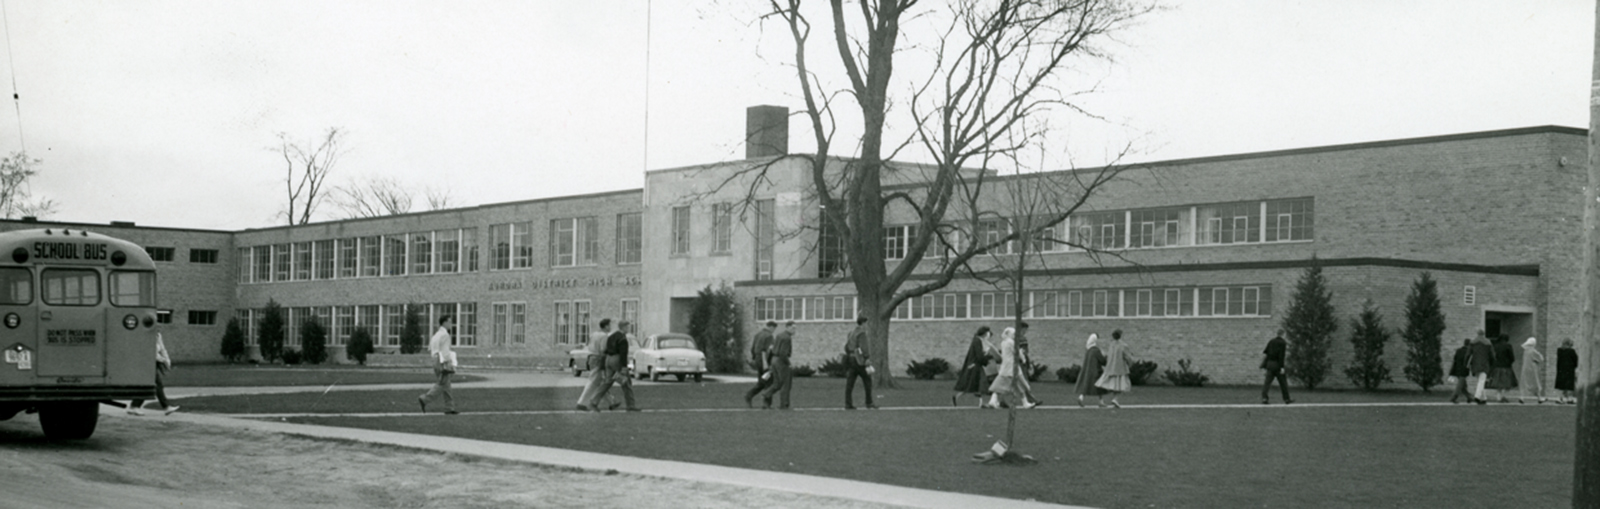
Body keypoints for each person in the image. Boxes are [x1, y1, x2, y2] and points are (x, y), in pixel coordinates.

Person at [590, 320, 640, 412]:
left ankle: (593, 401)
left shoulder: (611, 336)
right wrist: (624, 368)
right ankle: (630, 405)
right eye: (627, 327)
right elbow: (623, 354)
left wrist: (604, 364)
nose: (628, 329)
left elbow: (606, 350)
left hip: (608, 359)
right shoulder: (623, 339)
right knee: (626, 383)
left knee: (607, 383)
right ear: (623, 327)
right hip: (617, 360)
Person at [128, 328, 178, 416]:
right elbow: (151, 352)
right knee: (157, 384)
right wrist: (162, 360)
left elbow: (162, 349)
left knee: (149, 385)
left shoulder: (158, 335)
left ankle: (134, 406)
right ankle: (166, 406)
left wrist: (167, 360)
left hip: (152, 363)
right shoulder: (144, 335)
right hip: (144, 362)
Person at [418, 315, 459, 414]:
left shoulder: (436, 335)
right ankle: (425, 399)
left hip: (435, 359)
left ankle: (449, 408)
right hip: (442, 360)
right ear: (444, 322)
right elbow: (445, 351)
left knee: (447, 385)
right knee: (442, 383)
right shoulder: (445, 335)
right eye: (449, 322)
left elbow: (430, 348)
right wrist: (450, 363)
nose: (451, 324)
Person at [577, 319, 620, 411]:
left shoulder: (593, 334)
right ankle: (581, 403)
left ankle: (612, 402)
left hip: (591, 358)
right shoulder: (604, 336)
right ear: (606, 326)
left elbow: (588, 346)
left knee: (600, 382)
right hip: (599, 359)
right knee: (593, 382)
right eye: (609, 325)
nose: (610, 327)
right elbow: (603, 350)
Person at [986, 327, 1029, 409]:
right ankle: (1025, 403)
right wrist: (1023, 359)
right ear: (1008, 334)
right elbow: (1017, 352)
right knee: (1020, 384)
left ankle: (993, 401)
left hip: (1005, 367)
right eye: (1013, 334)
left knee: (999, 385)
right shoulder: (1011, 342)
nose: (1014, 335)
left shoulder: (1004, 342)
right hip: (1012, 367)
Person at [952, 326, 993, 407]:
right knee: (980, 383)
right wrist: (987, 359)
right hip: (976, 365)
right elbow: (979, 355)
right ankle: (981, 402)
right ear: (984, 333)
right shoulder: (978, 341)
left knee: (974, 384)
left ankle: (959, 397)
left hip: (974, 365)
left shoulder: (976, 340)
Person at [843, 317, 877, 410]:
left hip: (850, 360)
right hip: (859, 361)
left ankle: (848, 403)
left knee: (850, 383)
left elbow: (846, 347)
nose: (867, 325)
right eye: (866, 323)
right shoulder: (861, 333)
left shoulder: (851, 333)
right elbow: (864, 347)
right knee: (867, 381)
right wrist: (867, 357)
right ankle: (869, 402)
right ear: (863, 323)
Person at [1093, 329, 1134, 408]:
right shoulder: (1123, 345)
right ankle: (1115, 399)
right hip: (1120, 369)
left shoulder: (1111, 345)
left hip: (1111, 368)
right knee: (1122, 385)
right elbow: (1128, 357)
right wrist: (1130, 364)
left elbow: (1108, 356)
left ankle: (1112, 399)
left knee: (1114, 385)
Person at [760, 321, 795, 409]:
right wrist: (788, 363)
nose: (794, 330)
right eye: (792, 328)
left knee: (777, 382)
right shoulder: (787, 338)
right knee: (786, 384)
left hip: (774, 360)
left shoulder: (779, 335)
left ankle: (766, 394)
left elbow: (772, 348)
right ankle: (784, 404)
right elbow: (783, 353)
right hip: (781, 361)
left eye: (795, 328)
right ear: (787, 327)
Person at [743, 321, 778, 407]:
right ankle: (766, 403)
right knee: (769, 382)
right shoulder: (769, 336)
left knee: (762, 381)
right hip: (765, 361)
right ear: (771, 327)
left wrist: (755, 359)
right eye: (774, 328)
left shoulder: (757, 335)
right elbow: (769, 350)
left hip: (758, 360)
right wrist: (768, 363)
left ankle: (749, 396)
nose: (774, 330)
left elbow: (752, 349)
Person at [1074, 333, 1108, 408]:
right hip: (1096, 371)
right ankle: (1101, 401)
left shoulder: (1088, 351)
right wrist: (1106, 357)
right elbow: (1102, 361)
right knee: (1100, 386)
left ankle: (1081, 397)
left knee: (1087, 385)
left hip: (1088, 372)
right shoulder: (1096, 351)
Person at [1260, 329, 1292, 405]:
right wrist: (1282, 367)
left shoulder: (1271, 341)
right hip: (1277, 365)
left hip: (1270, 364)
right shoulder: (1282, 343)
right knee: (1283, 383)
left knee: (1267, 383)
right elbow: (1281, 356)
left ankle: (1264, 398)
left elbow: (1266, 352)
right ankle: (1286, 398)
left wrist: (1265, 364)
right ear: (1283, 334)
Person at [1014, 322, 1041, 407]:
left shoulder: (1016, 338)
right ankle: (1030, 399)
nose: (1025, 331)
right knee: (1023, 381)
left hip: (1020, 362)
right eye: (1024, 329)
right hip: (1020, 362)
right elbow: (1024, 352)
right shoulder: (1020, 339)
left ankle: (1029, 398)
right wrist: (1027, 363)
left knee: (1018, 382)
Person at [1487, 334, 1518, 403]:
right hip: (1506, 367)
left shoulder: (1495, 346)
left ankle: (1498, 397)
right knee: (1507, 384)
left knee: (1498, 384)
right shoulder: (1508, 346)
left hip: (1497, 367)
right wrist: (1509, 362)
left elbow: (1491, 356)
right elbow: (1512, 357)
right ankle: (1504, 397)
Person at [1467, 330, 1494, 405]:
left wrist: (1466, 363)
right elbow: (1492, 355)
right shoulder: (1488, 343)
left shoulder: (1473, 342)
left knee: (1480, 380)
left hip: (1475, 364)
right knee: (1482, 381)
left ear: (1477, 334)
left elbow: (1468, 354)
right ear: (1484, 334)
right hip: (1485, 364)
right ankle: (1477, 396)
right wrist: (1493, 364)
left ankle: (1484, 398)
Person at [1517, 337, 1545, 404]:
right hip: (1532, 369)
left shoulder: (1525, 351)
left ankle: (1522, 397)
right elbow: (1541, 358)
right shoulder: (1533, 351)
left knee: (1524, 383)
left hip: (1525, 369)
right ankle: (1539, 398)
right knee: (1535, 383)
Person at [1447, 339, 1472, 404]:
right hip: (1464, 370)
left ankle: (1469, 397)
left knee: (1463, 385)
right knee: (1460, 385)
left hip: (1457, 369)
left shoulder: (1458, 350)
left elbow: (1455, 359)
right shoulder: (1468, 352)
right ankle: (1453, 397)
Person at [1555, 339, 1578, 404]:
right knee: (1569, 385)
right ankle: (1569, 399)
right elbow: (1576, 360)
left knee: (1560, 385)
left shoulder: (1559, 351)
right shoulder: (1572, 351)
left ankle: (1559, 398)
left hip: (1560, 370)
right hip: (1569, 370)